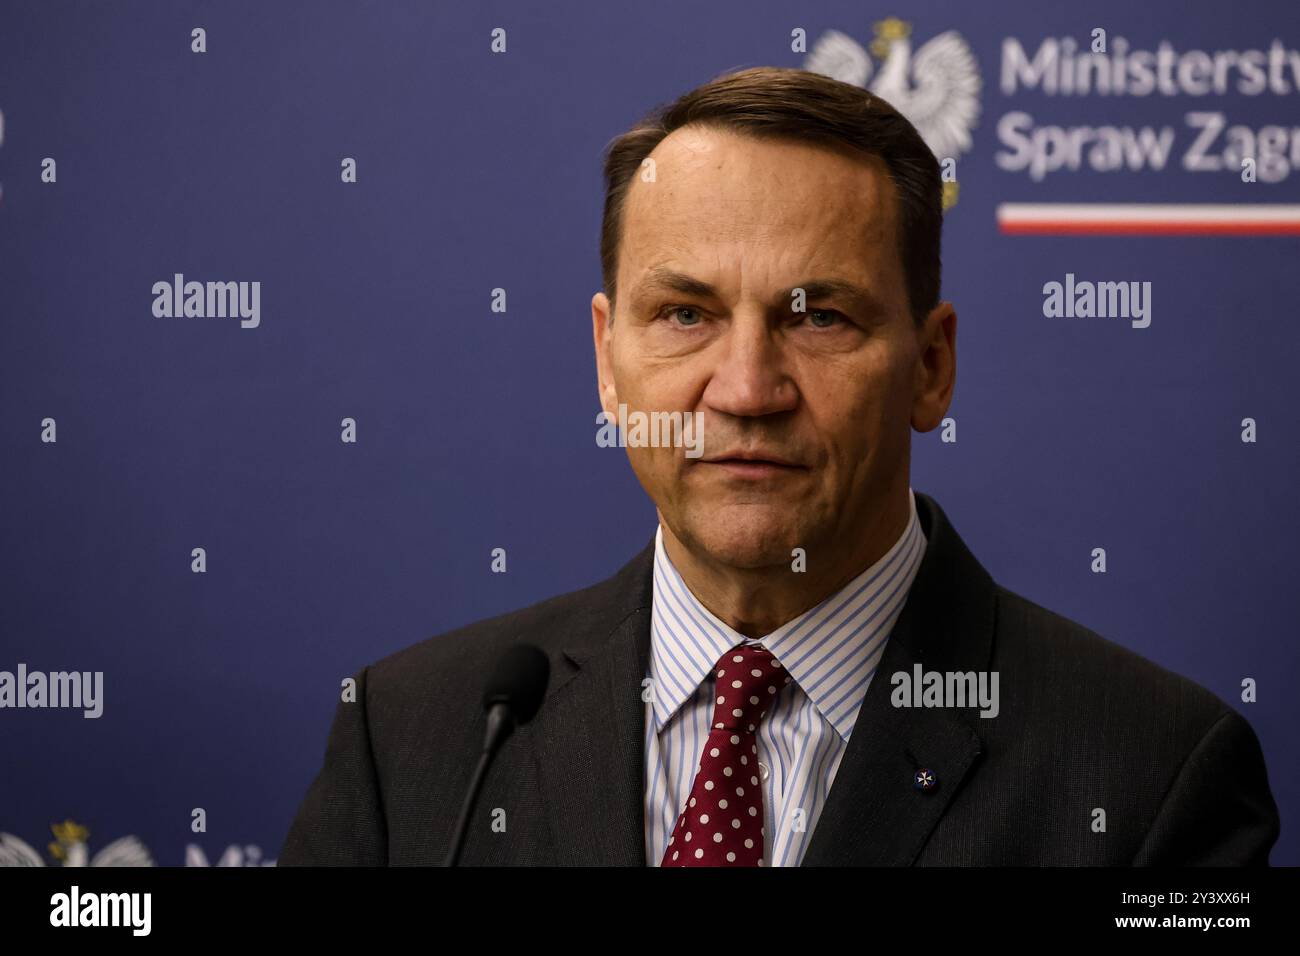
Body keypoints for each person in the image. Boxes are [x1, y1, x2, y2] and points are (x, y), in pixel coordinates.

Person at [280, 66, 1279, 866]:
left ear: (930, 367)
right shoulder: (415, 739)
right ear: (606, 360)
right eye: (685, 315)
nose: (746, 388)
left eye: (820, 318)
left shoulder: (1150, 776)